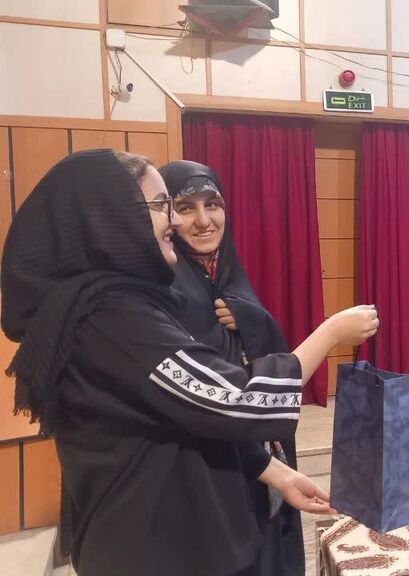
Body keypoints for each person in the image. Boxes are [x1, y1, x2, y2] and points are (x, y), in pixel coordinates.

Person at [1, 149, 378, 576]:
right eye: (162, 205)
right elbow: (238, 399)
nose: (177, 222)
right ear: (110, 216)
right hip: (152, 549)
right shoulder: (111, 319)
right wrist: (330, 332)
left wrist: (274, 472)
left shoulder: (117, 305)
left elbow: (182, 416)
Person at [158, 160, 303, 575]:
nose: (204, 221)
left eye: (213, 204)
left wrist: (254, 321)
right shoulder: (165, 286)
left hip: (261, 451)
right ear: (168, 216)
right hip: (209, 461)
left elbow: (263, 348)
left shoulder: (226, 272)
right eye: (186, 208)